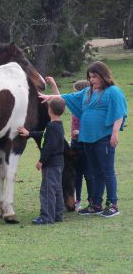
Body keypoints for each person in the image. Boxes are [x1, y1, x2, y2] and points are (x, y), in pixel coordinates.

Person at [38, 61, 127, 218]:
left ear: (103, 76)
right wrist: (49, 96)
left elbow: (119, 113)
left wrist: (114, 133)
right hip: (88, 139)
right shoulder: (87, 92)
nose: (92, 80)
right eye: (90, 77)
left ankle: (112, 204)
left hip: (104, 139)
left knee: (107, 171)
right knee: (94, 172)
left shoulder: (113, 92)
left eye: (95, 77)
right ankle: (96, 204)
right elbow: (68, 97)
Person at [46, 78, 92, 212]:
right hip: (75, 143)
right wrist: (54, 84)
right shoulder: (75, 106)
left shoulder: (88, 107)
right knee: (75, 174)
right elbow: (59, 100)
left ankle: (92, 200)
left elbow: (93, 123)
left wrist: (81, 132)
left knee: (88, 174)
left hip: (86, 142)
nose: (73, 95)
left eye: (75, 92)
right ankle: (75, 200)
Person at [18, 97, 66, 224]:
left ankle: (47, 217)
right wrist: (30, 133)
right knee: (57, 189)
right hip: (59, 163)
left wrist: (41, 161)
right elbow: (45, 135)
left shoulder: (51, 126)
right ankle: (57, 214)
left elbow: (49, 145)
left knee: (47, 190)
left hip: (51, 164)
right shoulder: (58, 125)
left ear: (49, 110)